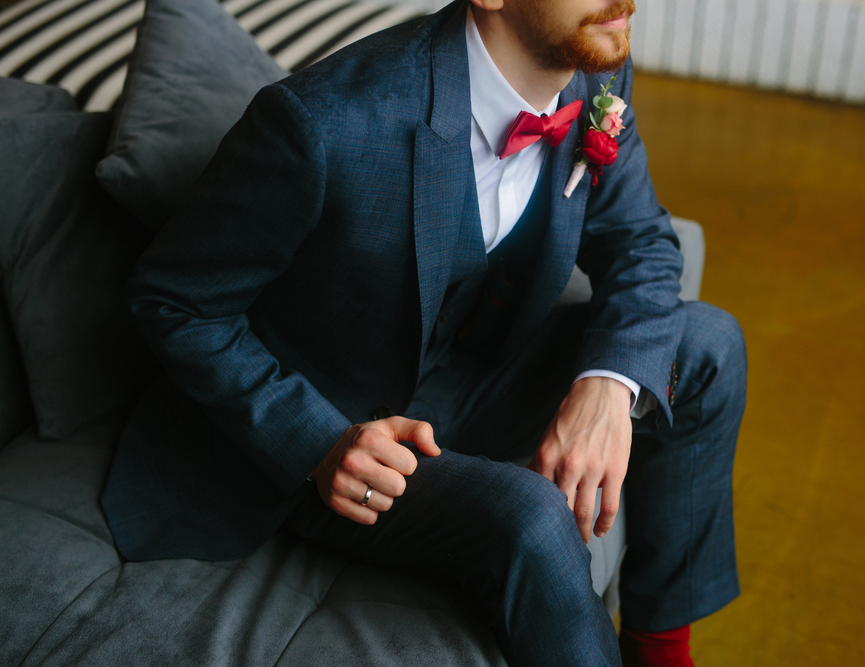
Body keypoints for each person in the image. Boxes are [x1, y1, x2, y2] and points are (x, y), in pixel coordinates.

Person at [100, 0, 747, 665]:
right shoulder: (323, 124)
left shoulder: (591, 66)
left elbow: (641, 243)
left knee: (708, 347)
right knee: (531, 517)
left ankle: (658, 649)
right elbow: (173, 301)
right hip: (336, 442)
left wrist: (607, 386)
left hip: (464, 375)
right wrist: (319, 442)